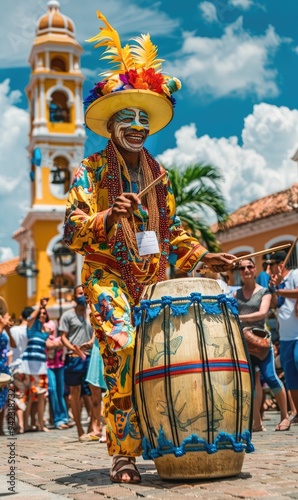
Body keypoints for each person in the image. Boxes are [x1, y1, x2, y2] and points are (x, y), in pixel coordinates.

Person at [63, 9, 236, 484]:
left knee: (155, 360)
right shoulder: (91, 171)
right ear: (111, 124)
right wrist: (106, 216)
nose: (137, 126)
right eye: (127, 118)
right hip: (106, 278)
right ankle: (122, 452)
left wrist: (204, 256)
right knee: (121, 349)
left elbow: (172, 232)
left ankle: (159, 438)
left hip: (152, 282)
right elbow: (71, 228)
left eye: (144, 119)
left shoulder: (160, 177)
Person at [234, 258, 290, 432]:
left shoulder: (264, 291)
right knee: (248, 384)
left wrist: (238, 317)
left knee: (271, 377)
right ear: (240, 272)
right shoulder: (236, 294)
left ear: (255, 269)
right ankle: (256, 423)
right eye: (242, 268)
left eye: (249, 266)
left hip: (261, 343)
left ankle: (285, 416)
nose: (246, 270)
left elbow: (262, 313)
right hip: (243, 344)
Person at [59, 285, 94, 441]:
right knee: (75, 394)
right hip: (73, 357)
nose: (83, 296)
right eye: (80, 293)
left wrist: (91, 342)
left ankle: (91, 427)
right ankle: (80, 430)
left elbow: (96, 333)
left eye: (85, 293)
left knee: (91, 394)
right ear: (74, 297)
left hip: (90, 357)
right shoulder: (67, 315)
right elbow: (63, 337)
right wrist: (71, 347)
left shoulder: (91, 314)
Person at [267, 250, 298, 420]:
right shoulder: (275, 283)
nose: (268, 268)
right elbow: (274, 305)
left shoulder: (295, 274)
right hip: (285, 336)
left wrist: (279, 290)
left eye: (270, 265)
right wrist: (273, 288)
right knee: (291, 375)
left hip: (297, 334)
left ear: (280, 265)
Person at [18, 298, 50, 432]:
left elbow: (47, 331)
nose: (41, 315)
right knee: (29, 395)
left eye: (44, 313)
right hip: (29, 366)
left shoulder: (45, 330)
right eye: (40, 313)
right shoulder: (31, 326)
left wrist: (42, 318)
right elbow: (30, 317)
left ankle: (41, 425)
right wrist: (39, 306)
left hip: (41, 366)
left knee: (41, 395)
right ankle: (24, 424)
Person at [8, 306, 34, 433]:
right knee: (27, 397)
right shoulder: (30, 330)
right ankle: (26, 423)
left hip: (15, 366)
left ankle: (21, 425)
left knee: (18, 396)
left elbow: (9, 349)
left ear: (21, 316)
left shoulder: (13, 330)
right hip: (29, 367)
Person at [45, 319, 69, 430]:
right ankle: (57, 419)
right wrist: (53, 344)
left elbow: (58, 343)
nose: (50, 330)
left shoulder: (59, 338)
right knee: (52, 390)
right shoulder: (45, 337)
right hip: (48, 366)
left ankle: (63, 418)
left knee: (60, 392)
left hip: (59, 366)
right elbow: (48, 344)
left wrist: (53, 344)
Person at [85, 336, 107, 441]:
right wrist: (90, 342)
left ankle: (107, 428)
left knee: (111, 387)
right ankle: (98, 426)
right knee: (94, 387)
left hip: (111, 342)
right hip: (97, 346)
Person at [0, 312, 16, 435]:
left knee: (4, 397)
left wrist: (8, 330)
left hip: (4, 365)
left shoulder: (4, 331)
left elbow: (13, 344)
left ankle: (0, 428)